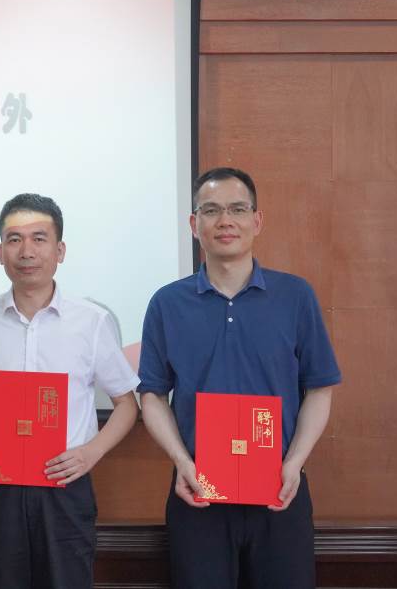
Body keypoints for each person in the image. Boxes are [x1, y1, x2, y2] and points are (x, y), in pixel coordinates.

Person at [138, 167, 342, 589]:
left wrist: (294, 463)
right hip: (197, 492)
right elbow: (153, 395)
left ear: (257, 220)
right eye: (211, 210)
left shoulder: (295, 296)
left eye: (237, 209)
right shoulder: (167, 303)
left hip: (279, 490)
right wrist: (182, 462)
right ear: (194, 224)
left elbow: (319, 389)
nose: (225, 221)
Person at [0, 192, 140, 589]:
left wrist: (91, 452)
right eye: (14, 239)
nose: (26, 251)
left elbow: (126, 404)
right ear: (0, 252)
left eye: (39, 238)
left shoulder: (92, 321)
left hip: (64, 484)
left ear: (59, 250)